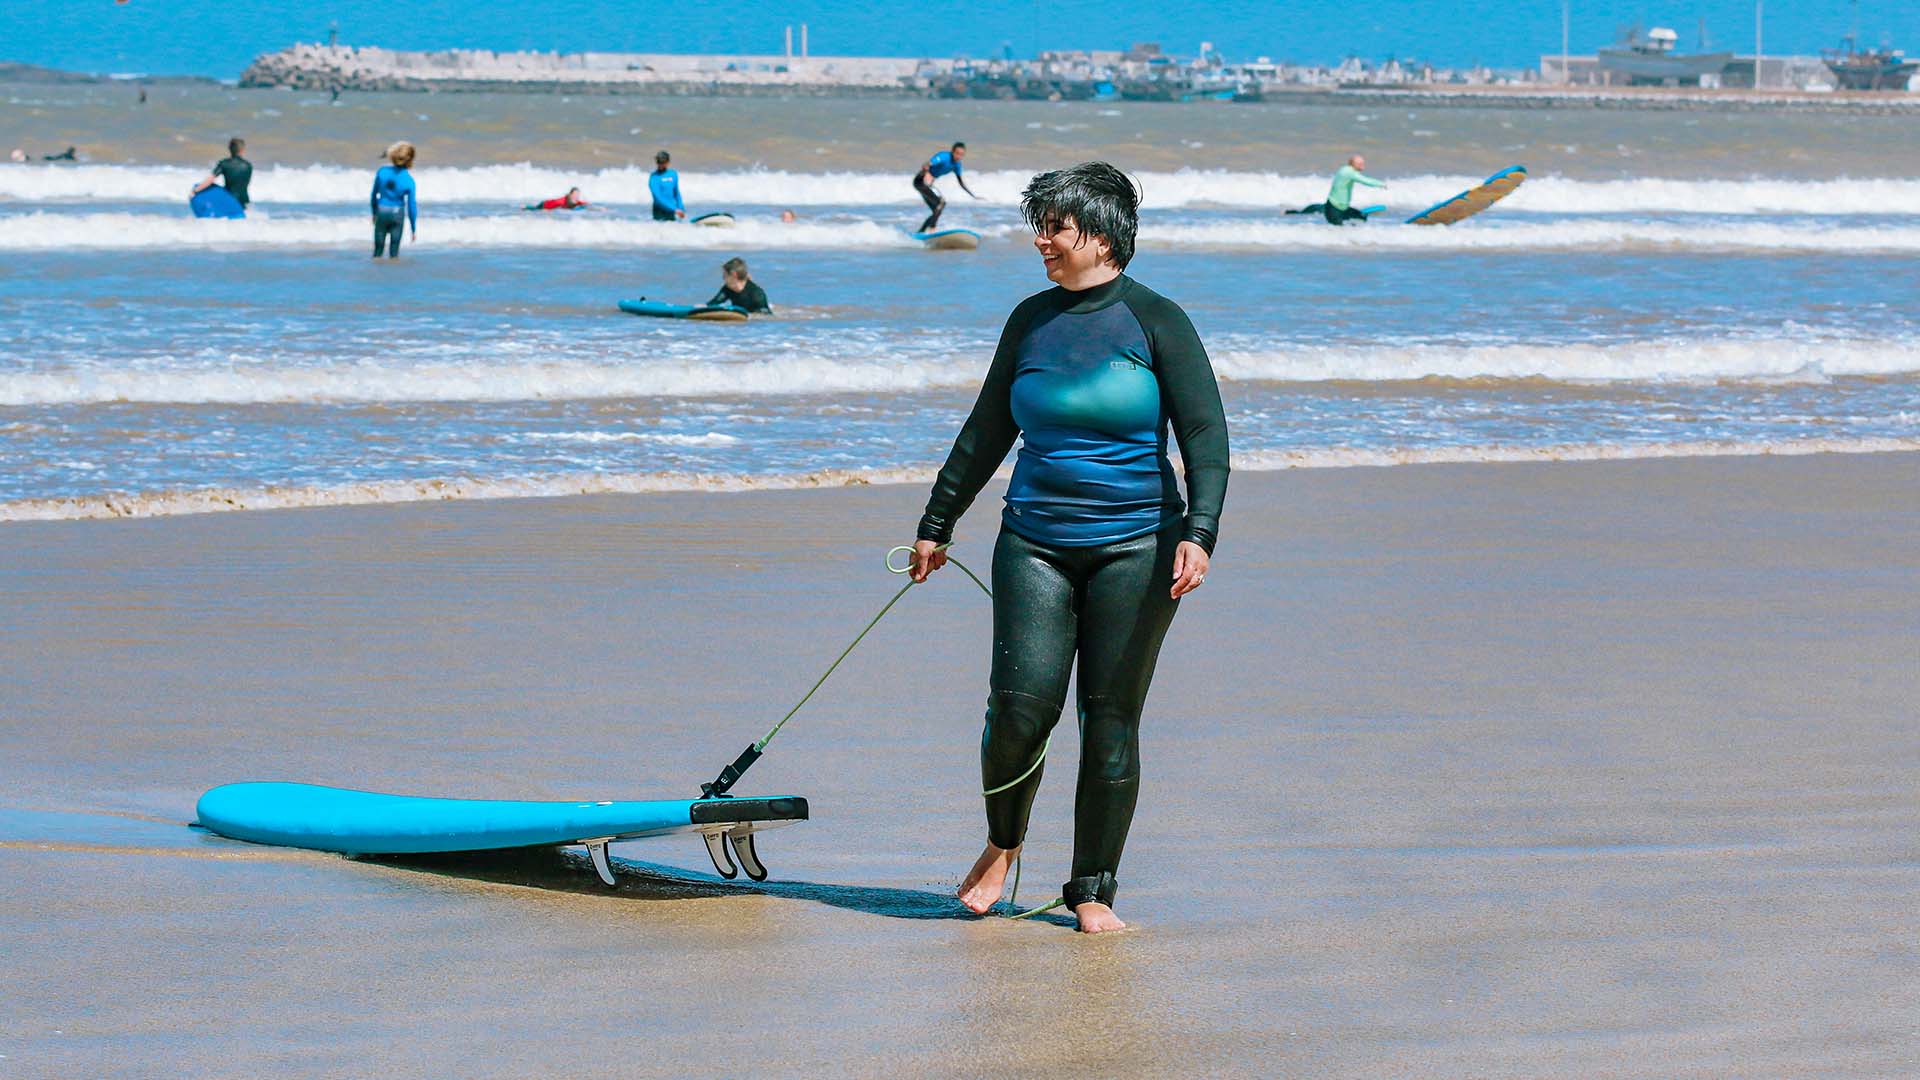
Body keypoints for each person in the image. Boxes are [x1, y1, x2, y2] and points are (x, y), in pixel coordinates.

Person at [907, 161, 1229, 934]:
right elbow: (987, 429)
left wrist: (1200, 532)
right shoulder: (1030, 320)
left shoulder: (1158, 320)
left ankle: (1091, 889)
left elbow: (1206, 434)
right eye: (1040, 225)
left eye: (1056, 226)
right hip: (1034, 542)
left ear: (1103, 232)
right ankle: (1003, 842)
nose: (1042, 240)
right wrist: (937, 523)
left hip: (1140, 546)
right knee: (1020, 709)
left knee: (1109, 718)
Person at [1297, 154, 1385, 225]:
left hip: (1342, 209)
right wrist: (1382, 184)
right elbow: (1365, 180)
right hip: (1334, 210)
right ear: (1354, 164)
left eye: (1363, 163)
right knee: (1339, 232)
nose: (1363, 166)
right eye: (1361, 164)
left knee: (1361, 218)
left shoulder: (1345, 169)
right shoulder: (1349, 173)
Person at [913, 141, 978, 233]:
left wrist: (972, 195)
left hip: (926, 185)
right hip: (921, 181)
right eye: (957, 153)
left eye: (962, 155)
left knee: (936, 210)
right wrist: (927, 173)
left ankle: (920, 232)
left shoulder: (957, 165)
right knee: (941, 203)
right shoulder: (944, 156)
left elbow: (960, 182)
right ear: (952, 152)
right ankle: (932, 229)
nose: (959, 156)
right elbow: (926, 164)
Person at [370, 141, 418, 259]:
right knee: (394, 251)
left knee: (378, 250)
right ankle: (392, 274)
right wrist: (413, 228)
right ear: (410, 160)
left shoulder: (382, 172)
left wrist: (374, 213)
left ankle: (376, 272)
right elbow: (412, 207)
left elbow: (373, 195)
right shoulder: (409, 181)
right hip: (397, 214)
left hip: (382, 211)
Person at [192, 138, 252, 209]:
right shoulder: (248, 166)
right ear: (242, 150)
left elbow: (210, 180)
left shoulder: (224, 164)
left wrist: (195, 191)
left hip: (229, 199)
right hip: (244, 200)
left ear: (230, 149)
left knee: (212, 187)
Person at [706, 257, 770, 313]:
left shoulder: (756, 293)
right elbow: (713, 303)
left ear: (734, 275)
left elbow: (766, 315)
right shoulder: (727, 289)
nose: (723, 277)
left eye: (725, 275)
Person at [649, 150, 685, 222]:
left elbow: (676, 193)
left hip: (672, 212)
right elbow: (658, 198)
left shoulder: (673, 174)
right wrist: (674, 209)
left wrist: (681, 208)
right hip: (659, 213)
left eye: (662, 162)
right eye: (658, 162)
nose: (660, 164)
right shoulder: (653, 178)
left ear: (668, 162)